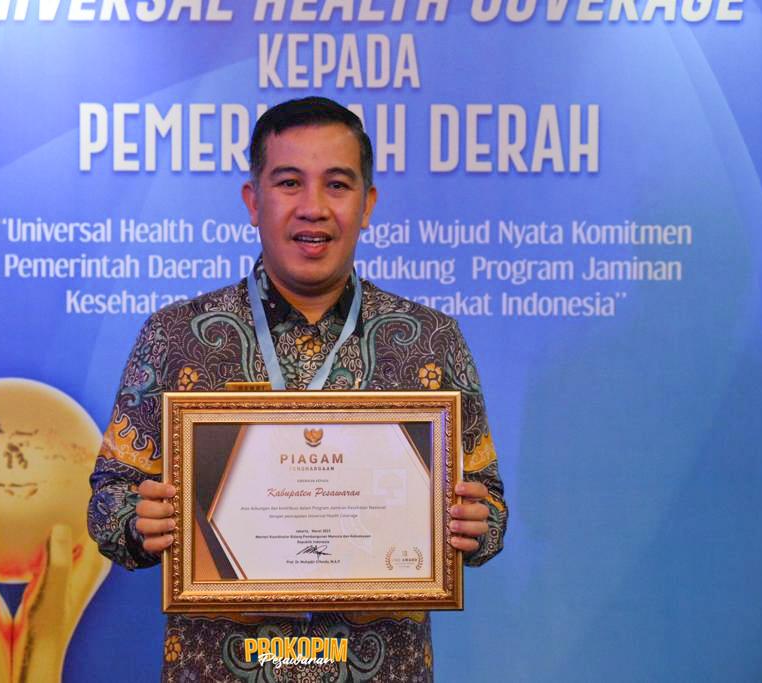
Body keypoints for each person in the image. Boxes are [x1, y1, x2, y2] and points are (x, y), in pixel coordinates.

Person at [88, 96, 507, 681]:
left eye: (337, 184)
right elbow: (107, 502)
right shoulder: (176, 336)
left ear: (367, 204)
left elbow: (490, 506)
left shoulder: (431, 341)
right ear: (252, 200)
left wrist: (476, 525)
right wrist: (140, 521)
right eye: (289, 182)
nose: (313, 207)